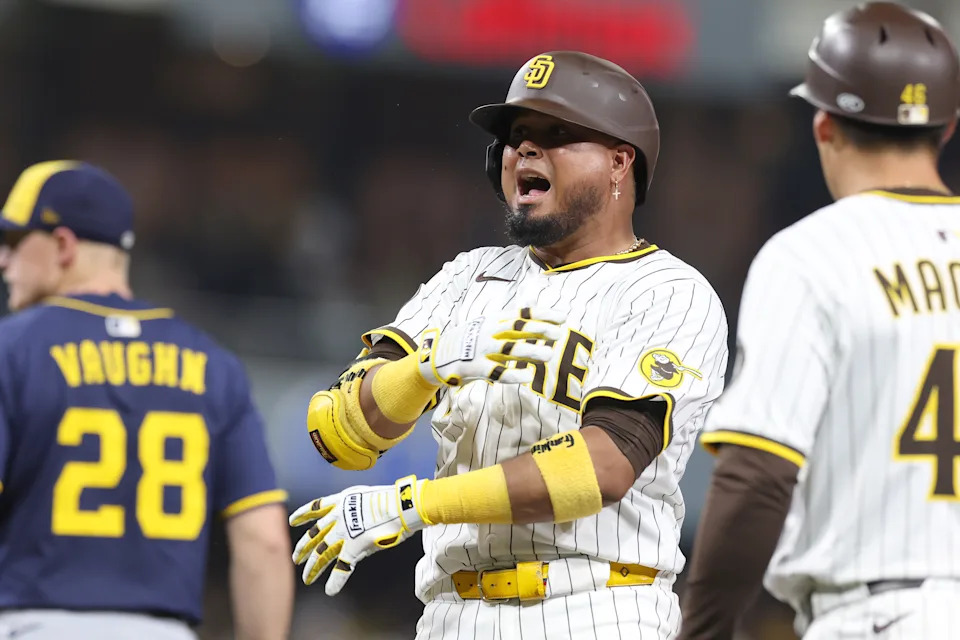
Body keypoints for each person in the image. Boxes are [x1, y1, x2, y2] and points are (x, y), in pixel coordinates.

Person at [290, 51, 728, 639]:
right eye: (517, 137)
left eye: (556, 135)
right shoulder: (465, 279)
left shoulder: (667, 291)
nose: (525, 150)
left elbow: (601, 467)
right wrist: (426, 368)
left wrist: (416, 504)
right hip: (452, 614)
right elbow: (338, 434)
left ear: (620, 162)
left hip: (597, 608)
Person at [678, 3, 960, 639]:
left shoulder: (809, 255)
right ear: (945, 130)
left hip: (878, 615)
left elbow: (758, 473)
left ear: (825, 125)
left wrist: (703, 629)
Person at [0, 161, 293, 639]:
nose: (2, 261)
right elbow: (263, 543)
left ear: (62, 245)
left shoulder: (11, 350)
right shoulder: (213, 365)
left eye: (13, 242)